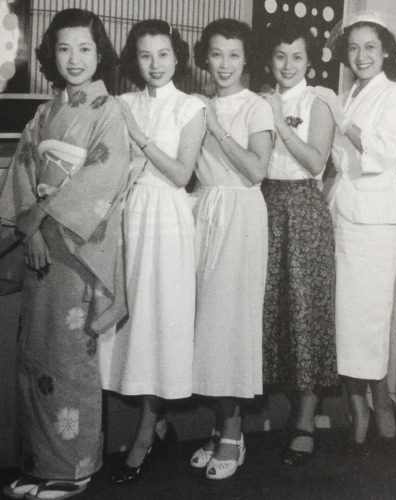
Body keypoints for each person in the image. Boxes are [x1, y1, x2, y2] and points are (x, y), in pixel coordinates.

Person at [0, 9, 129, 499]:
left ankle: (73, 469)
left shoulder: (109, 112)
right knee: (33, 356)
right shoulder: (45, 112)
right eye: (63, 48)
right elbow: (21, 171)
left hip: (77, 249)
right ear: (50, 54)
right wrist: (28, 232)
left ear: (100, 55)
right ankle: (38, 462)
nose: (74, 59)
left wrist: (40, 224)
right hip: (40, 248)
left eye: (85, 49)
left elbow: (103, 180)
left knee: (69, 358)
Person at [98, 20, 205, 482]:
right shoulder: (122, 103)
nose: (155, 64)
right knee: (128, 322)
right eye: (145, 56)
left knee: (159, 321)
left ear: (177, 57)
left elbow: (182, 174)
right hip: (128, 215)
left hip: (168, 219)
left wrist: (140, 139)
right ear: (134, 61)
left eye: (163, 54)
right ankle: (155, 423)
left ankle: (145, 430)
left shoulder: (192, 106)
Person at [318, 10, 396, 454]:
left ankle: (383, 403)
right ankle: (358, 408)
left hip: (375, 221)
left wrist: (344, 122)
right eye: (353, 48)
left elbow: (387, 152)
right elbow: (334, 160)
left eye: (370, 46)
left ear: (387, 50)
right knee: (343, 322)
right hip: (342, 214)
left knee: (369, 322)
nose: (361, 56)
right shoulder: (348, 93)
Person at [189, 18, 273, 480]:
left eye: (234, 55)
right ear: (206, 57)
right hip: (203, 209)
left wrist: (217, 128)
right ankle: (221, 425)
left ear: (246, 60)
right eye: (217, 54)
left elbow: (256, 170)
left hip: (241, 214)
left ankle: (233, 433)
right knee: (204, 324)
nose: (224, 64)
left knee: (230, 324)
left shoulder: (256, 106)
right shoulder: (194, 104)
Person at [259, 17, 337, 466]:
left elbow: (315, 162)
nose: (288, 65)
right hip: (264, 205)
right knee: (273, 311)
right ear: (269, 59)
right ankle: (283, 409)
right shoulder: (258, 98)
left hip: (304, 209)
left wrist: (280, 125)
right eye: (280, 56)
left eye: (298, 57)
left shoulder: (318, 100)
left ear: (310, 61)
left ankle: (307, 416)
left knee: (304, 311)